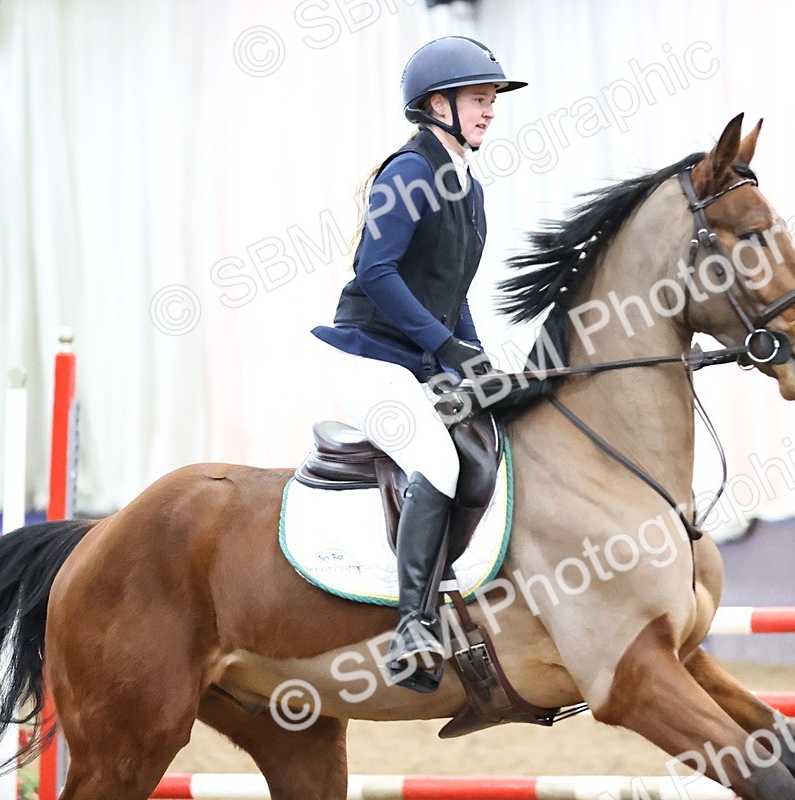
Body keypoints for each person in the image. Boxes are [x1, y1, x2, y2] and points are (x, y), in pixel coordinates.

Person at [311, 36, 525, 693]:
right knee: (435, 458)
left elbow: (451, 291)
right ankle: (413, 628)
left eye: (493, 101)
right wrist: (442, 346)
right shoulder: (408, 172)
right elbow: (373, 273)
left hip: (420, 359)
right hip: (369, 358)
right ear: (439, 104)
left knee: (501, 430)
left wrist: (477, 362)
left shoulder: (469, 188)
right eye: (480, 99)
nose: (491, 111)